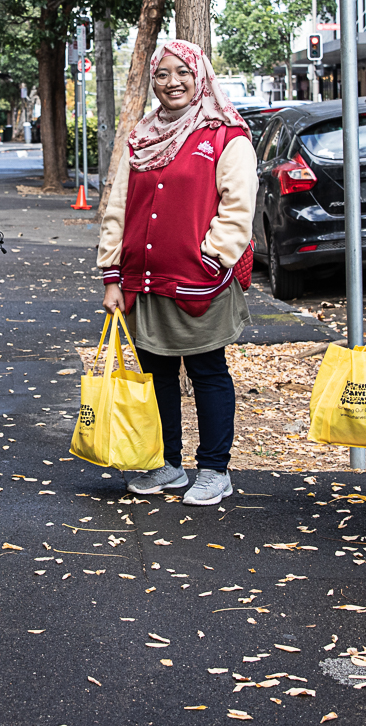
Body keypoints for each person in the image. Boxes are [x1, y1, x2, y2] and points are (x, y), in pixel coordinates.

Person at [97, 39, 256, 506]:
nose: (172, 83)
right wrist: (112, 274)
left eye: (182, 72)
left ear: (200, 75)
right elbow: (118, 209)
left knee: (207, 371)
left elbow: (238, 211)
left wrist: (210, 259)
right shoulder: (142, 138)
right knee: (157, 373)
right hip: (144, 283)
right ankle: (166, 464)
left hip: (199, 283)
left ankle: (214, 470)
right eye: (162, 74)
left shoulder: (226, 135)